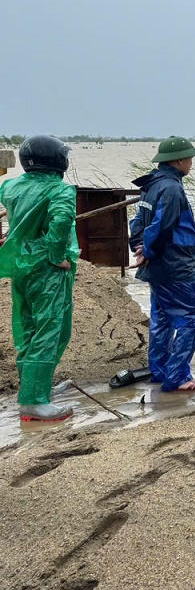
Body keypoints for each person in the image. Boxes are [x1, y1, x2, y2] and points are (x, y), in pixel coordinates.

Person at [0, 136, 78, 421]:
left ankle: (35, 388)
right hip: (48, 270)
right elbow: (60, 222)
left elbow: (11, 208)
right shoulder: (60, 191)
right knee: (51, 330)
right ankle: (34, 400)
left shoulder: (10, 186)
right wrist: (57, 254)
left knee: (27, 328)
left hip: (21, 265)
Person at [128, 137, 195, 392]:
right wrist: (149, 250)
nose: (191, 164)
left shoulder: (151, 186)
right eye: (189, 159)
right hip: (175, 265)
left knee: (162, 319)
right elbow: (162, 224)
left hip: (158, 267)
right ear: (178, 161)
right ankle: (177, 376)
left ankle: (160, 371)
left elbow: (138, 222)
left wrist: (139, 247)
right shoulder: (172, 188)